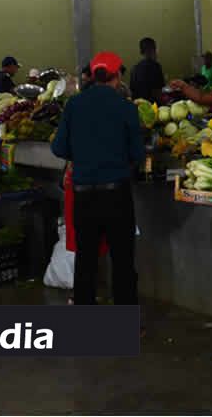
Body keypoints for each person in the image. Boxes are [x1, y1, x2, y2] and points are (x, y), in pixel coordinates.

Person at [51, 52, 143, 308]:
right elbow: (137, 153)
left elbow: (58, 149)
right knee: (122, 259)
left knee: (86, 259)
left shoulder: (74, 105)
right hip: (116, 193)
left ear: (92, 75)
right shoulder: (126, 107)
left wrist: (82, 153)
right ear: (118, 76)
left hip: (83, 194)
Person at [129, 38, 166, 103]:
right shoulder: (155, 66)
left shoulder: (134, 68)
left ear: (141, 51)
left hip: (138, 106)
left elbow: (132, 91)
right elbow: (158, 93)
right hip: (152, 107)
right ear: (153, 50)